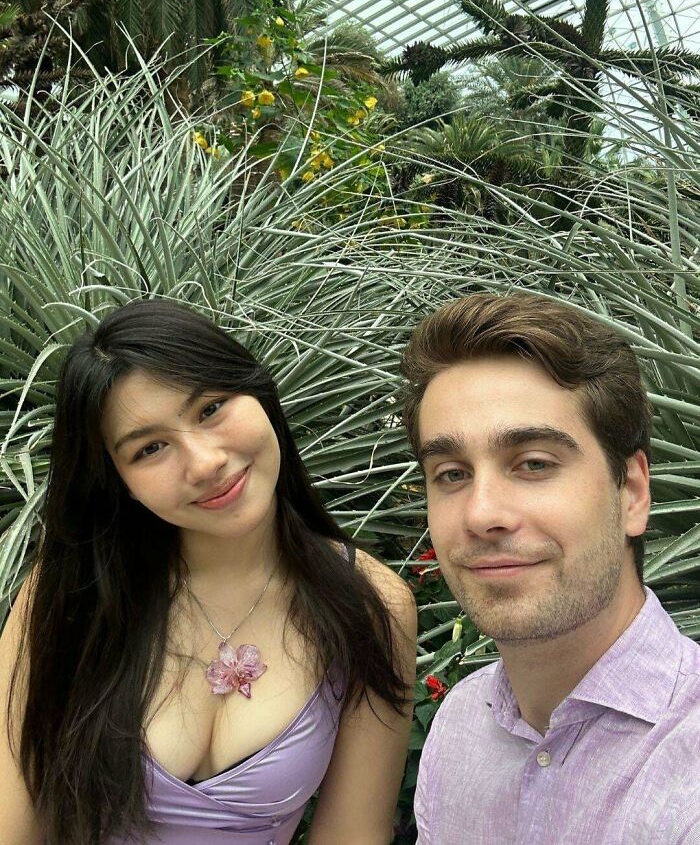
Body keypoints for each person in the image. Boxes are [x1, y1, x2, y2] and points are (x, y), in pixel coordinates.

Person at [0, 298, 416, 845]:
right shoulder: (64, 596)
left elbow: (352, 834)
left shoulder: (371, 604)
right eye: (150, 448)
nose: (204, 463)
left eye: (211, 408)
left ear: (259, 394)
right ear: (117, 479)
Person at [402, 292, 700, 844]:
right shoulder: (462, 726)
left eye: (534, 464)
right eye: (451, 473)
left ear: (632, 492)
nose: (482, 513)